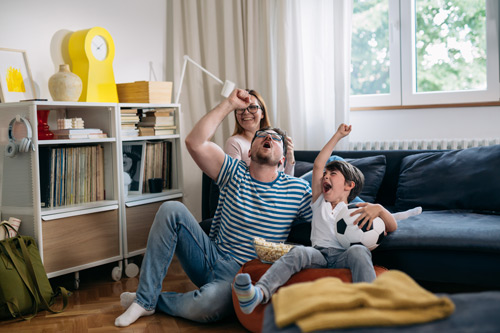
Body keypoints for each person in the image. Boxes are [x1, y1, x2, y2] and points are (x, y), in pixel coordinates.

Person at [114, 89, 313, 327]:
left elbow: (329, 215)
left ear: (283, 159)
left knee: (207, 306)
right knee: (170, 209)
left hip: (243, 274)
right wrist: (229, 103)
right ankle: (145, 300)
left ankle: (152, 301)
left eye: (275, 138)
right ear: (250, 151)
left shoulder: (298, 189)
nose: (268, 137)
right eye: (262, 135)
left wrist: (369, 209)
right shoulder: (234, 171)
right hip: (211, 257)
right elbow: (194, 142)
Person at [233, 124, 398, 315]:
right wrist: (337, 136)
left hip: (342, 255)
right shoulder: (319, 200)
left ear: (349, 185)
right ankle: (259, 293)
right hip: (318, 254)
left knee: (359, 251)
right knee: (299, 253)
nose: (325, 177)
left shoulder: (355, 211)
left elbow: (392, 226)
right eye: (325, 175)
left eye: (332, 175)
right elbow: (319, 164)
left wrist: (378, 209)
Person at [224, 89, 296, 175]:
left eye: (252, 107)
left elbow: (286, 183)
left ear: (262, 113)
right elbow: (235, 178)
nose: (246, 112)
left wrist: (290, 158)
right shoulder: (234, 142)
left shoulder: (275, 141)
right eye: (240, 109)